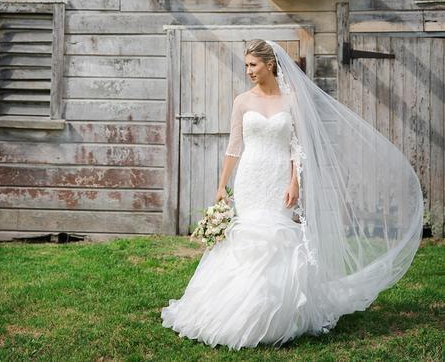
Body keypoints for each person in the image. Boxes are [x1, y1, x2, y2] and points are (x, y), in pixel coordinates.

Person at [161, 38, 423, 349]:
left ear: (270, 64)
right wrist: (221, 186)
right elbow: (234, 147)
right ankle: (236, 309)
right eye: (246, 65)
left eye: (253, 65)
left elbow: (297, 149)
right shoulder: (242, 101)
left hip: (279, 178)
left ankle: (279, 315)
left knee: (280, 236)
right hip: (250, 177)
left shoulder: (292, 100)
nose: (248, 71)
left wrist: (295, 183)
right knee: (249, 237)